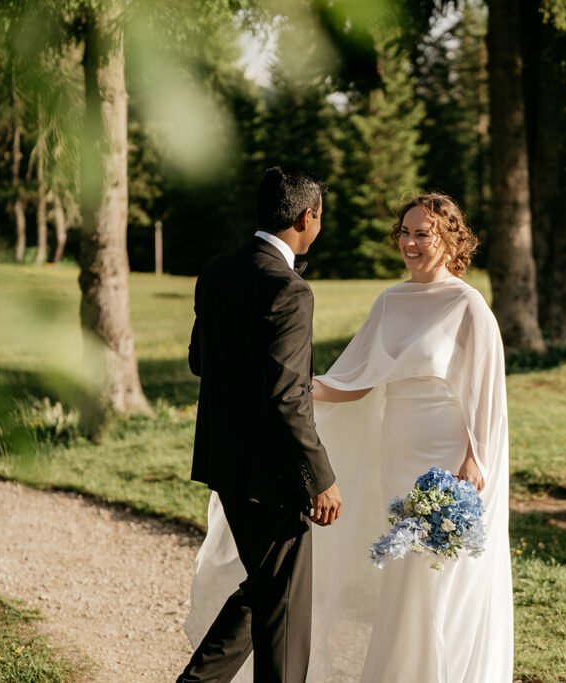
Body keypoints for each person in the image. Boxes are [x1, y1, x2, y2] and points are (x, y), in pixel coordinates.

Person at [187, 192, 513, 682]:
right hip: (400, 461)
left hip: (451, 462)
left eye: (422, 233)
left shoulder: (470, 307)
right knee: (406, 583)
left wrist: (475, 461)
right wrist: (284, 387)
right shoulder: (391, 301)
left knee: (446, 583)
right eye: (404, 232)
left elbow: (487, 398)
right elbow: (353, 380)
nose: (409, 242)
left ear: (449, 239)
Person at [178, 166, 342, 683]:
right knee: (284, 608)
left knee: (268, 590)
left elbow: (198, 361)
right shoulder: (290, 289)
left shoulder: (218, 269)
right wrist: (320, 477)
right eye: (320, 214)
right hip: (271, 475)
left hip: (224, 463)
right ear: (306, 215)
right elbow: (288, 396)